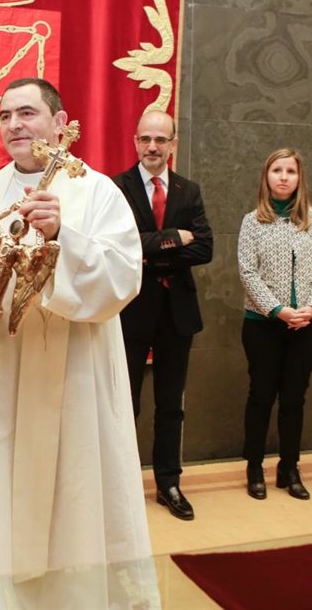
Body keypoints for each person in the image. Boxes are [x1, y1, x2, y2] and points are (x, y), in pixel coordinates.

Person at [0, 78, 149, 589]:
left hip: (72, 370)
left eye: (27, 113)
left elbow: (123, 277)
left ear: (59, 121)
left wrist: (61, 236)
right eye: (5, 115)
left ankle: (71, 594)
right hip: (0, 370)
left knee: (72, 486)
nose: (14, 124)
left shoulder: (96, 191)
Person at [112, 110, 213, 520]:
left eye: (161, 140)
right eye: (145, 139)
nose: (152, 147)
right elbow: (120, 246)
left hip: (177, 314)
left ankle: (169, 482)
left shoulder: (189, 191)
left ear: (173, 143)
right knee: (126, 403)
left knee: (171, 404)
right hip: (131, 311)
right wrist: (172, 239)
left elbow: (205, 249)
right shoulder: (116, 188)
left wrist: (150, 250)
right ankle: (121, 487)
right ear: (135, 141)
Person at [236, 148, 312, 501]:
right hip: (263, 324)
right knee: (261, 395)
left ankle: (289, 467)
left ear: (299, 178)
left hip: (306, 323)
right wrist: (277, 309)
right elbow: (247, 271)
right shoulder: (252, 221)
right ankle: (254, 466)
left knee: (294, 398)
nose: (283, 177)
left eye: (290, 171)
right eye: (277, 170)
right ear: (267, 177)